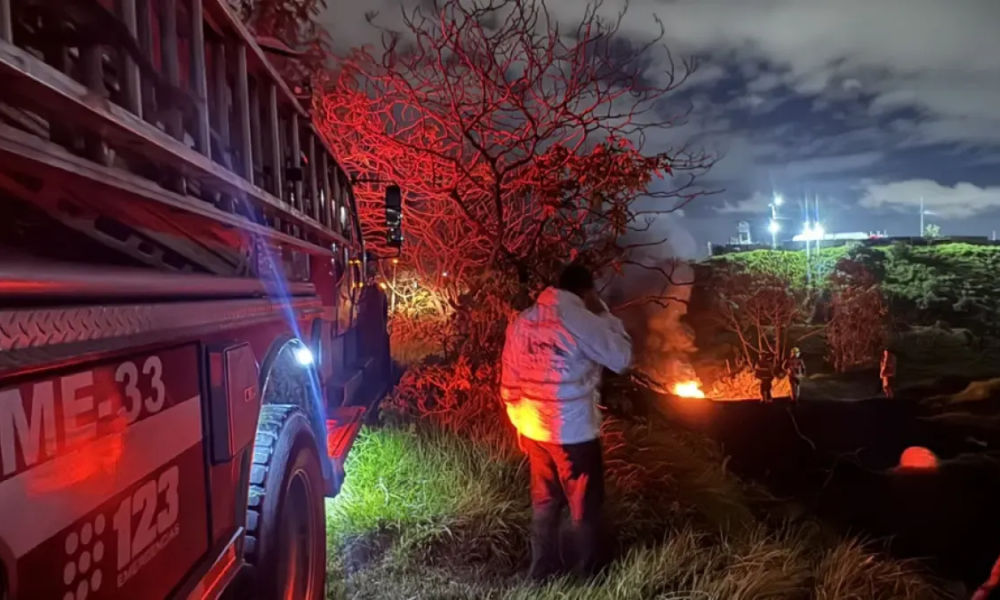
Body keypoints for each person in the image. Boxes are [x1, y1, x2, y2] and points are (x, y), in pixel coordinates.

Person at [500, 264, 632, 581]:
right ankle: (589, 575)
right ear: (586, 292)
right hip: (574, 434)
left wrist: (520, 424)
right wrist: (605, 316)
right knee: (583, 506)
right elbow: (623, 357)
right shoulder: (583, 321)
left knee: (544, 502)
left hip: (534, 429)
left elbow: (509, 383)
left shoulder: (525, 320)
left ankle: (541, 571)